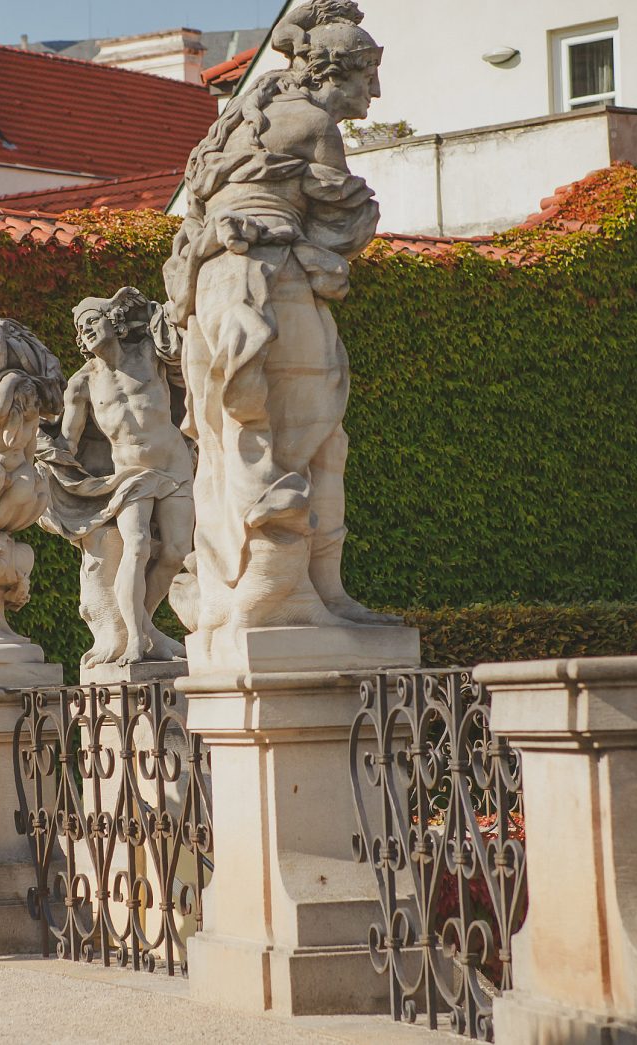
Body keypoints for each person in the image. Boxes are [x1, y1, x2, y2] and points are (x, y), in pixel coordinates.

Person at [161, 0, 397, 645]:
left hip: (219, 280)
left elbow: (201, 210)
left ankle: (253, 594)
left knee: (236, 436)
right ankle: (283, 599)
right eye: (366, 73)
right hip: (271, 275)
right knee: (300, 436)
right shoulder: (313, 123)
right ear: (332, 73)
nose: (372, 90)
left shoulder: (244, 117)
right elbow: (343, 212)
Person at [38, 287, 193, 665]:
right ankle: (136, 639)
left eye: (91, 321)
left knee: (175, 554)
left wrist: (160, 315)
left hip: (175, 465)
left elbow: (179, 353)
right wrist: (38, 447)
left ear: (114, 322)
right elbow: (69, 442)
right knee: (137, 547)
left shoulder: (149, 355)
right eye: (80, 327)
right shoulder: (82, 383)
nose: (85, 331)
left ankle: (146, 625)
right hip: (130, 475)